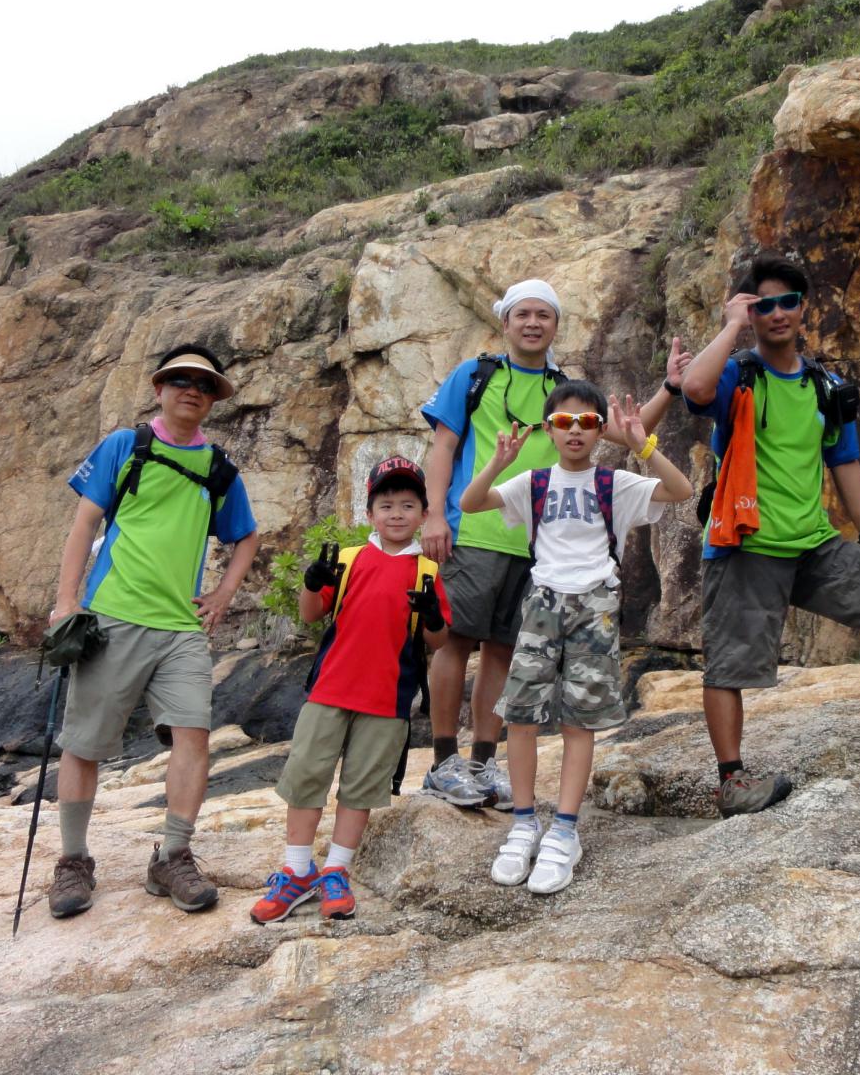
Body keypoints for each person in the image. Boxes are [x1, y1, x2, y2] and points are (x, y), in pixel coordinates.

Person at [682, 253, 860, 818]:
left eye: (788, 302)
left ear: (803, 308)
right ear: (749, 312)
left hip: (812, 544)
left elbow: (844, 459)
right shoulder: (738, 375)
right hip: (745, 544)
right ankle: (732, 782)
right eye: (763, 304)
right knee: (728, 665)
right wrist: (731, 326)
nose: (777, 313)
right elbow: (694, 387)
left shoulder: (826, 385)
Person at [419, 278, 691, 807]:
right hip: (473, 531)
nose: (533, 323)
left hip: (536, 545)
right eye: (523, 314)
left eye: (543, 314)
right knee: (456, 641)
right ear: (505, 322)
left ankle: (482, 764)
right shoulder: (475, 376)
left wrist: (670, 388)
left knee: (503, 650)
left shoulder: (563, 392)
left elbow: (625, 430)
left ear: (556, 325)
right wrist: (434, 515)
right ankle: (443, 762)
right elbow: (443, 446)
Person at [46, 344, 258, 919]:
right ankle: (73, 862)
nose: (193, 390)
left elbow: (246, 537)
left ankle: (173, 856)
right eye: (181, 379)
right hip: (113, 615)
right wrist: (67, 601)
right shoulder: (126, 446)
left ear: (213, 400)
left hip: (181, 627)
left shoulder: (218, 468)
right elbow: (85, 523)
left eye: (205, 385)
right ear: (160, 388)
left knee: (194, 735)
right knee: (84, 743)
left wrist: (223, 594)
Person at [459, 382, 691, 893]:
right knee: (521, 715)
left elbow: (680, 491)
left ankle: (564, 829)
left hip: (595, 605)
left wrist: (643, 445)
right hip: (543, 601)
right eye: (564, 423)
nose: (576, 432)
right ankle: (524, 822)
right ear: (549, 429)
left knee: (578, 719)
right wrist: (499, 462)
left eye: (587, 422)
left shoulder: (615, 483)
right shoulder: (533, 482)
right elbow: (471, 503)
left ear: (600, 430)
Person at [250, 456, 451, 923]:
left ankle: (337, 871)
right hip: (330, 690)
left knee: (360, 788)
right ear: (369, 513)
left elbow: (438, 641)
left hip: (387, 699)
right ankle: (297, 870)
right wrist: (310, 584)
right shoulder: (348, 560)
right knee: (307, 775)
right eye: (386, 505)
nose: (396, 514)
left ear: (424, 514)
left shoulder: (427, 571)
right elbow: (310, 614)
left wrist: (433, 616)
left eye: (408, 505)